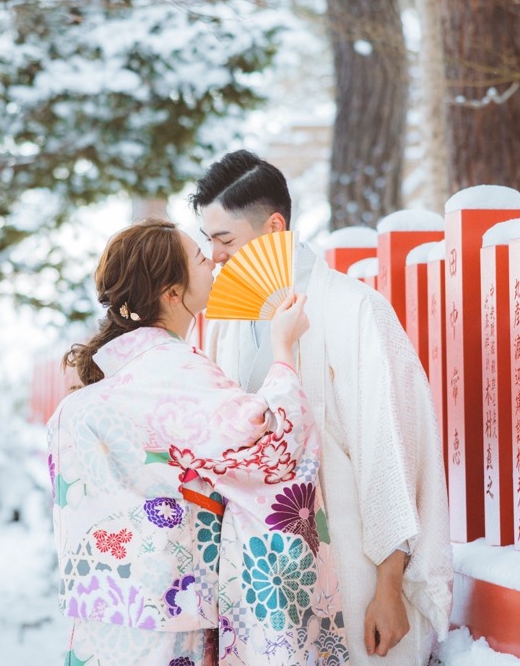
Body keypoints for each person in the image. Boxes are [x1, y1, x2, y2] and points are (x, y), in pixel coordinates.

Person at [48, 218, 349, 665]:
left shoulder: (93, 393)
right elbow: (273, 450)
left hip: (102, 610)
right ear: (172, 293)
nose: (213, 261)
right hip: (172, 610)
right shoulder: (174, 371)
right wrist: (283, 350)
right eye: (199, 257)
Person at [192, 151, 453, 663]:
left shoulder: (355, 309)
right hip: (259, 567)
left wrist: (389, 585)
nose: (216, 257)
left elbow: (390, 448)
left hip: (348, 552)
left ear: (274, 228)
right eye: (209, 241)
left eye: (225, 240)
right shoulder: (225, 324)